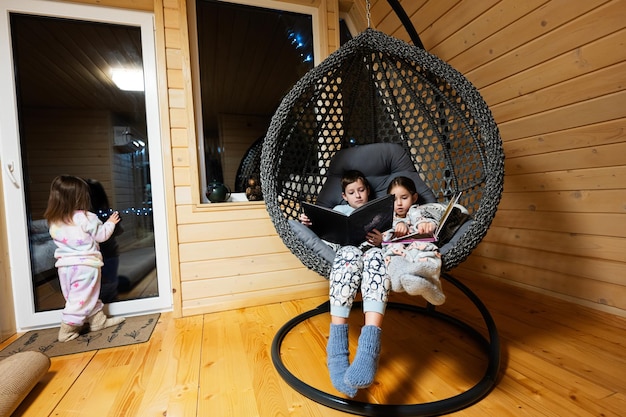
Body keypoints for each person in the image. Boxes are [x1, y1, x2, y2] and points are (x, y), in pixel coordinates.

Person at [300, 170, 389, 398]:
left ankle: (369, 347)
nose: (357, 195)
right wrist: (309, 225)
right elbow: (324, 235)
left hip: (371, 251)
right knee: (349, 253)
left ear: (367, 191)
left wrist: (382, 239)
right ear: (344, 196)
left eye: (361, 190)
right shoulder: (338, 211)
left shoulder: (380, 211)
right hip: (345, 253)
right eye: (352, 192)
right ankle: (337, 349)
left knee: (377, 258)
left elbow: (395, 238)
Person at [44, 175, 126, 342]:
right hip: (86, 266)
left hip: (65, 267)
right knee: (80, 300)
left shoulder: (54, 221)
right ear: (80, 196)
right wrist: (110, 222)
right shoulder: (87, 217)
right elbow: (101, 235)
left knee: (81, 296)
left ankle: (98, 321)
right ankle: (67, 330)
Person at [382, 176, 445, 305]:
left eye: (404, 198)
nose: (399, 203)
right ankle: (401, 278)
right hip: (398, 251)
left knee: (427, 249)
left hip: (417, 246)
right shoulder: (387, 218)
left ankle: (430, 283)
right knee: (391, 255)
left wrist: (426, 225)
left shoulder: (416, 211)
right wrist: (396, 228)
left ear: (414, 198)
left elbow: (423, 219)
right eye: (394, 199)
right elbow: (383, 236)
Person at [86, 178, 122, 303]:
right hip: (106, 255)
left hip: (104, 255)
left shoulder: (88, 217)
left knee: (103, 286)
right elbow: (118, 231)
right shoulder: (105, 214)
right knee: (108, 285)